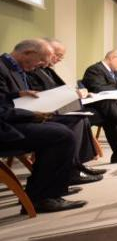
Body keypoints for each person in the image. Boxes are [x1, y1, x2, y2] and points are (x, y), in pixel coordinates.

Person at [1, 39, 105, 184]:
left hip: (17, 119)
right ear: (28, 53)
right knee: (60, 133)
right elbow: (2, 109)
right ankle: (44, 194)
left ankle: (64, 177)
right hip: (6, 128)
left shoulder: (16, 68)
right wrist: (34, 114)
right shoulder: (3, 68)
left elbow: (6, 98)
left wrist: (20, 95)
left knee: (73, 120)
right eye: (40, 62)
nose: (40, 66)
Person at [0, 91, 86, 213]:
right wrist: (30, 115)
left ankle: (38, 194)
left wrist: (18, 96)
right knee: (61, 136)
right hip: (3, 129)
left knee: (60, 129)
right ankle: (42, 198)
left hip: (7, 121)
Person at [81, 49, 117, 163]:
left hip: (116, 102)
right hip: (99, 104)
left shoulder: (115, 73)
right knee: (111, 112)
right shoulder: (94, 70)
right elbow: (98, 88)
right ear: (112, 58)